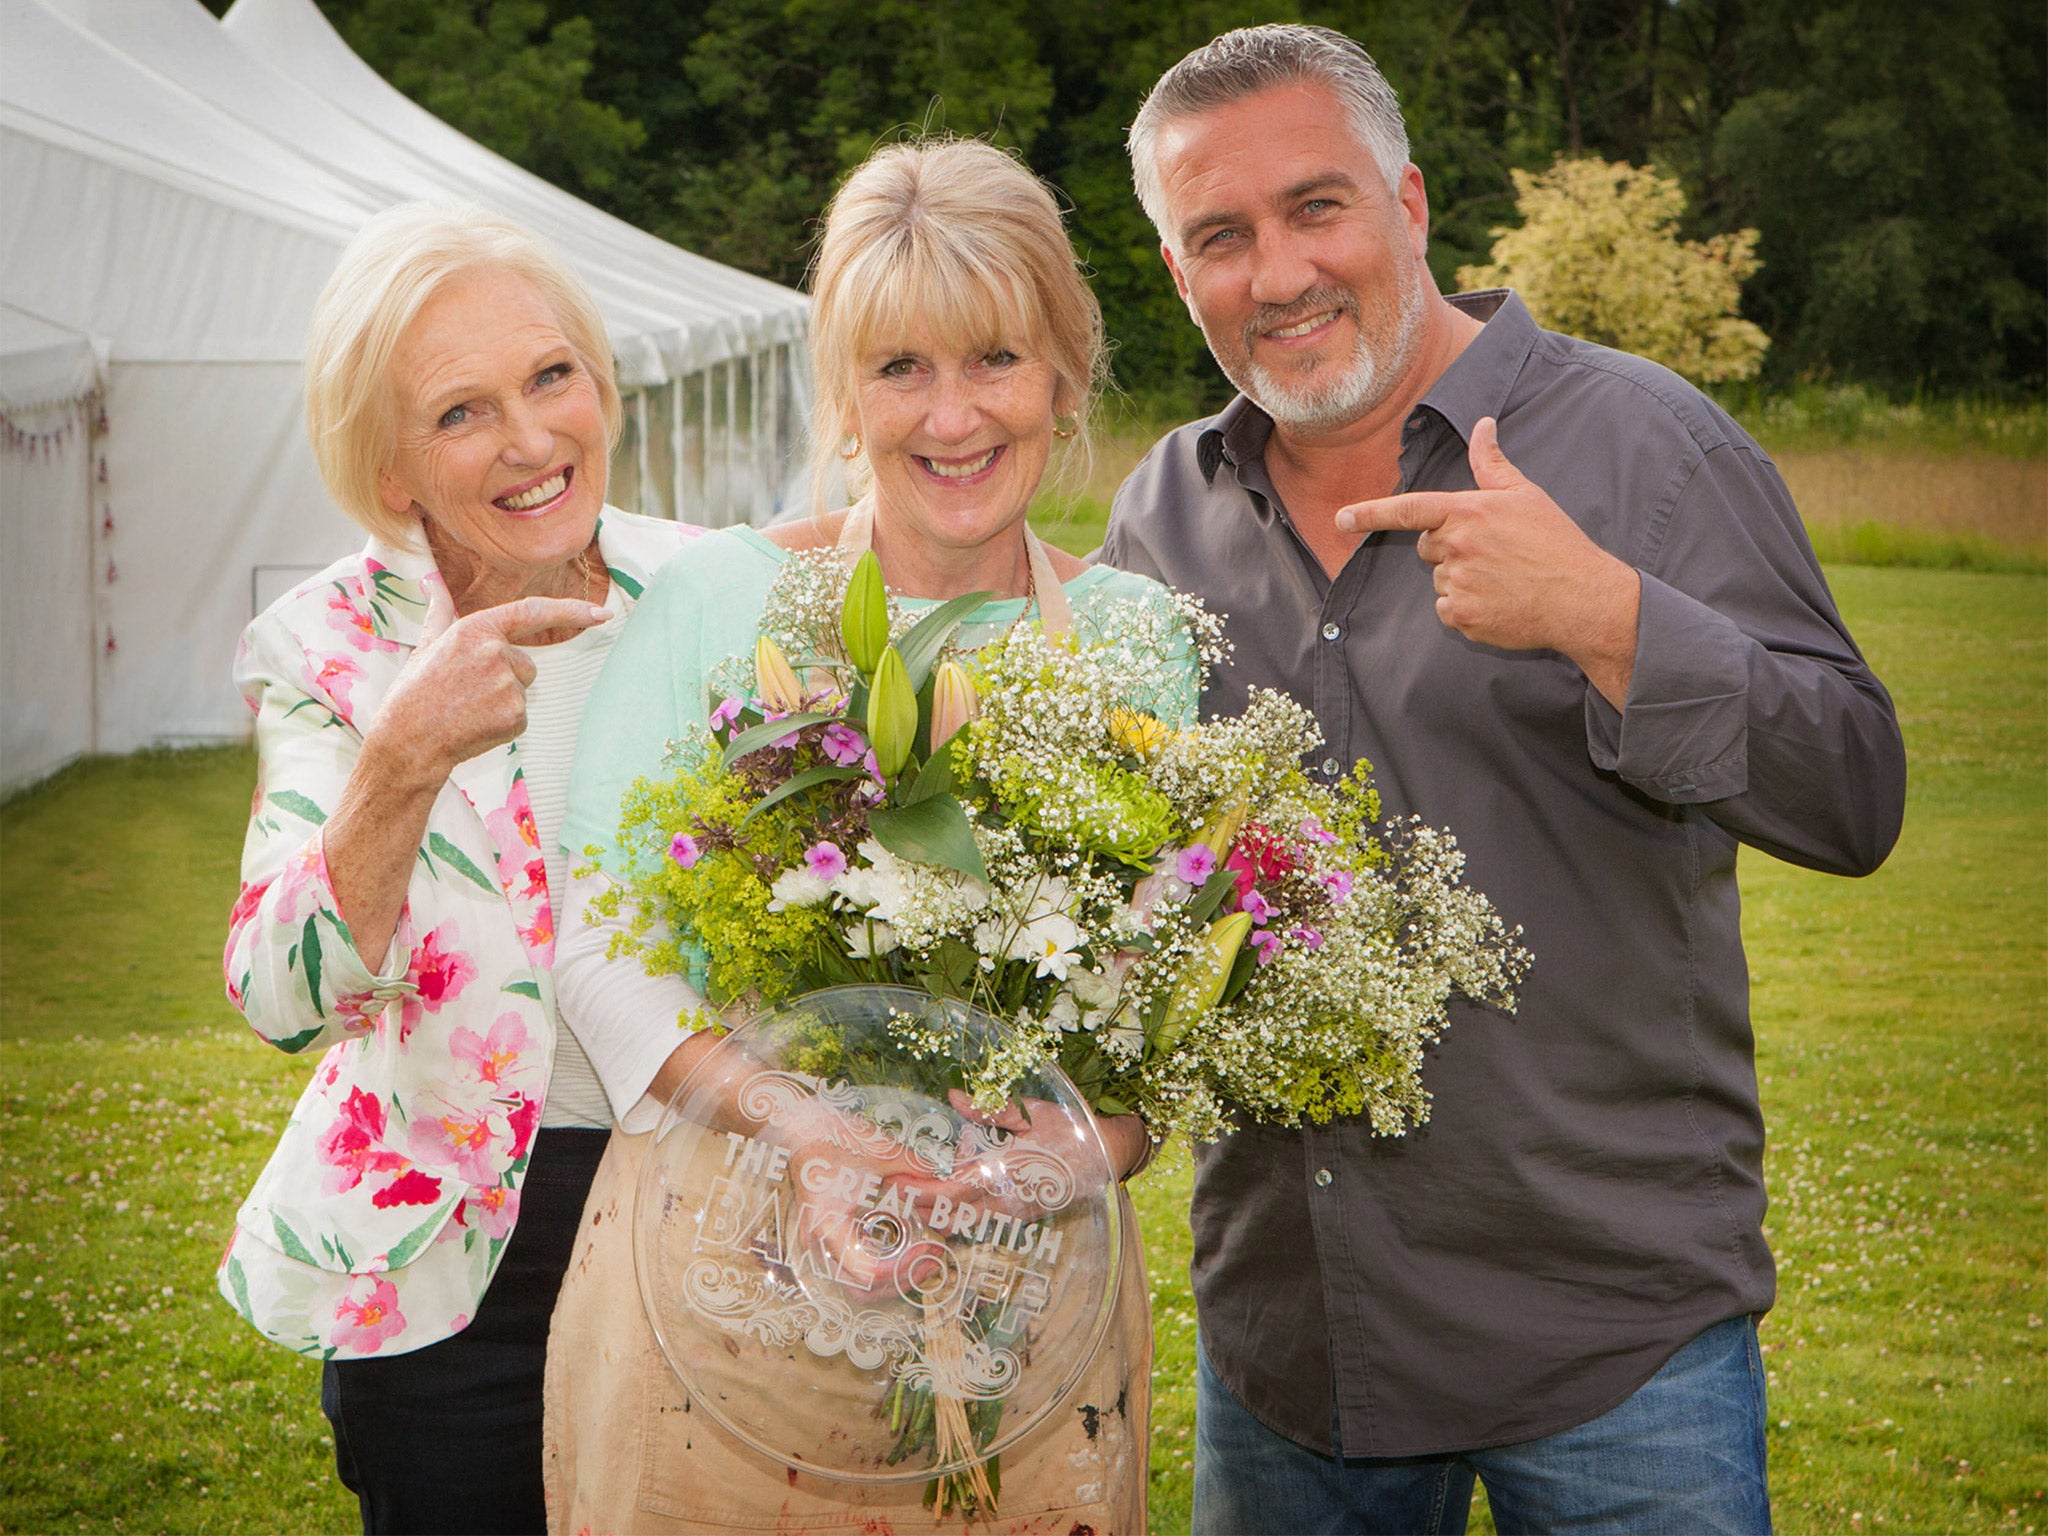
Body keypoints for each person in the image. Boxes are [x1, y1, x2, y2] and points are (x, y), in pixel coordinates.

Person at [1101, 24, 1907, 1535]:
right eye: (1221, 235)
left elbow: (1855, 790)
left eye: (1315, 207)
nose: (1277, 273)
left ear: (1409, 205)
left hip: (1610, 1357)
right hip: (1294, 1355)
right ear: (1177, 272)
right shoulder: (1162, 515)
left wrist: (1607, 619)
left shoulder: (1644, 447)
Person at [543, 137, 1187, 1535]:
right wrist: (813, 1130)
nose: (952, 417)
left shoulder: (1136, 640)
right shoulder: (718, 604)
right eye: (900, 368)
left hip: (1026, 1301)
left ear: (1067, 373)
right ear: (842, 396)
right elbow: (597, 952)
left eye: (995, 360)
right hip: (724, 1273)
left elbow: (1165, 989)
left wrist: (1093, 1149)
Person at [216, 202, 699, 1534]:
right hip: (453, 1290)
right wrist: (402, 752)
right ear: (393, 475)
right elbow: (278, 991)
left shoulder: (711, 592)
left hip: (705, 1229)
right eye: (462, 413)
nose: (534, 440)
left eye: (552, 377)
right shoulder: (324, 651)